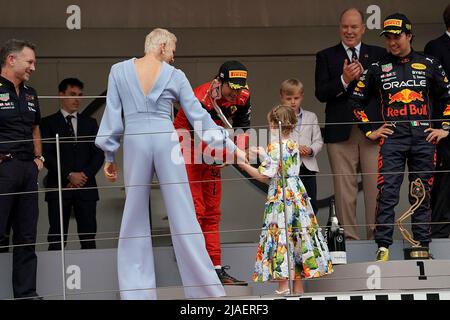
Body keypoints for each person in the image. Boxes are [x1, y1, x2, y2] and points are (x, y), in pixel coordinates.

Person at [95, 28, 247, 300]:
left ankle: (136, 293)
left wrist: (109, 155)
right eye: (173, 50)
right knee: (184, 214)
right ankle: (206, 290)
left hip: (135, 141)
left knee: (133, 218)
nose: (174, 57)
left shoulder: (118, 71)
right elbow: (198, 115)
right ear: (163, 44)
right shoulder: (175, 76)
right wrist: (231, 146)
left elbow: (113, 117)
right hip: (167, 140)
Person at [349, 13, 450, 261]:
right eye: (388, 38)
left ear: (409, 36)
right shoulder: (376, 67)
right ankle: (382, 246)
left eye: (397, 37)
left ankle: (421, 245)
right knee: (388, 193)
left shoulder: (430, 63)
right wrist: (370, 130)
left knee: (421, 193)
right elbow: (356, 101)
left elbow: (448, 97)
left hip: (424, 138)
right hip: (392, 139)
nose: (392, 42)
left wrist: (445, 128)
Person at [239, 105, 333, 295]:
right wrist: (263, 154)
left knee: (280, 235)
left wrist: (243, 165)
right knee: (296, 235)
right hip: (297, 194)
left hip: (281, 195)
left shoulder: (274, 147)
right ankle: (297, 286)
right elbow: (281, 163)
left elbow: (265, 175)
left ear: (274, 124)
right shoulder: (293, 145)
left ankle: (282, 285)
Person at [174, 60, 251, 285]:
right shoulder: (199, 98)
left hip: (215, 150)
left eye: (240, 88)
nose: (235, 94)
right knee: (196, 212)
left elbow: (243, 127)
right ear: (219, 82)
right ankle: (197, 270)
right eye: (231, 88)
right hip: (186, 149)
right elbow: (197, 137)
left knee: (212, 213)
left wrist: (235, 150)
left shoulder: (243, 94)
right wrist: (228, 154)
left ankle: (216, 268)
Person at [315, 8, 386, 240]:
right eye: (345, 26)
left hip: (372, 131)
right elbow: (321, 93)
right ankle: (349, 240)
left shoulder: (378, 54)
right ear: (340, 28)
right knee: (344, 189)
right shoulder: (326, 56)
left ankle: (377, 239)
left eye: (354, 27)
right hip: (340, 131)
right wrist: (344, 79)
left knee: (376, 186)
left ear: (363, 29)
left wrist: (364, 77)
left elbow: (386, 90)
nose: (349, 31)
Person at [0, 39, 43, 299]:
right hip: (3, 167)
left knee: (27, 235)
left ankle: (26, 294)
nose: (33, 67)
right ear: (11, 60)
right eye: (30, 62)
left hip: (28, 169)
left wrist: (39, 160)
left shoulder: (31, 93)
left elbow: (35, 126)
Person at [40, 78, 104, 250]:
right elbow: (46, 154)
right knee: (56, 237)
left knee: (89, 237)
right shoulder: (47, 123)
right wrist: (69, 174)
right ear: (61, 95)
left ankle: (92, 275)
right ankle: (55, 276)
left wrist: (84, 176)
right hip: (59, 186)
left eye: (80, 95)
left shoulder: (90, 123)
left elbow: (98, 153)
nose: (77, 99)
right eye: (72, 94)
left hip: (86, 186)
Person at [424, 4, 450, 239]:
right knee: (444, 177)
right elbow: (433, 91)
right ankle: (441, 232)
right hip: (444, 124)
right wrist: (442, 125)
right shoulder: (435, 47)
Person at [279, 79, 323, 214]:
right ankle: (293, 235)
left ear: (302, 96)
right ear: (282, 97)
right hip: (288, 170)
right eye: (289, 98)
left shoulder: (311, 117)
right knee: (289, 206)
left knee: (311, 205)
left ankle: (310, 234)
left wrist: (310, 150)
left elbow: (318, 141)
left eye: (296, 98)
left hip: (308, 168)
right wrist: (294, 149)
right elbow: (275, 142)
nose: (293, 102)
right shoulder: (278, 117)